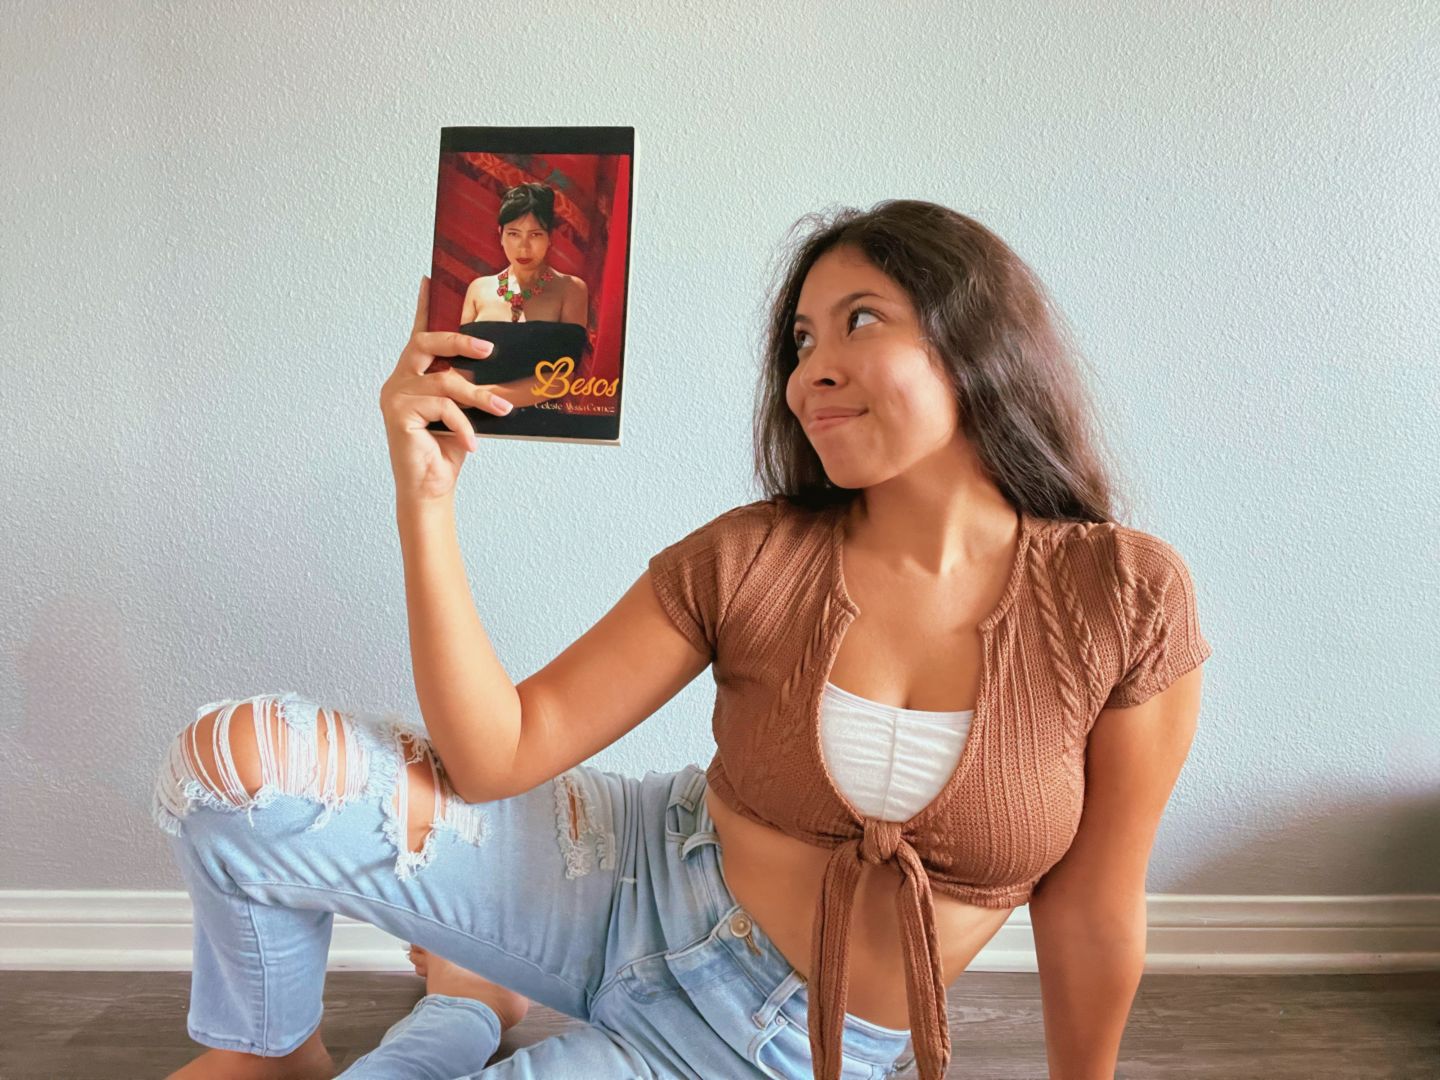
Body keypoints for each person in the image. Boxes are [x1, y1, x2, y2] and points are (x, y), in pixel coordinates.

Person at [151, 198, 1212, 1079]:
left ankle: (465, 1005)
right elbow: (496, 753)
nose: (812, 370)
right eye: (802, 341)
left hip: (774, 1047)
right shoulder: (752, 555)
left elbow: (1091, 909)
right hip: (624, 874)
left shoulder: (1123, 596)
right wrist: (425, 501)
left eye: (860, 321)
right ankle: (272, 1052)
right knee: (227, 769)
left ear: (976, 341)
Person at [451, 182, 590, 415]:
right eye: (514, 234)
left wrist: (477, 396)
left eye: (535, 235)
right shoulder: (478, 289)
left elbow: (559, 380)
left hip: (538, 425)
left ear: (550, 237)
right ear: (500, 235)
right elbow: (461, 374)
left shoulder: (571, 289)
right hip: (470, 421)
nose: (524, 247)